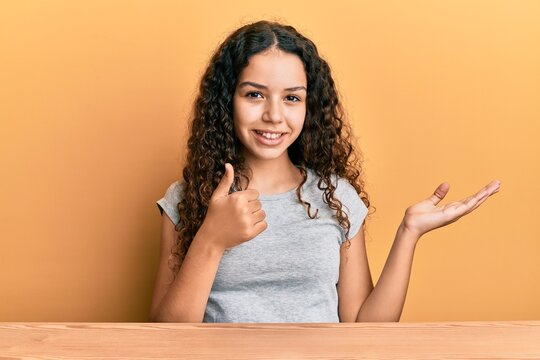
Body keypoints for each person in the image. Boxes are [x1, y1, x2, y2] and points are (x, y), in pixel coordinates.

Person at [149, 20, 500, 323]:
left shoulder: (337, 198)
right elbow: (165, 334)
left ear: (309, 106)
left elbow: (365, 328)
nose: (274, 115)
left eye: (291, 98)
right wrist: (211, 238)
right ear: (227, 101)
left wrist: (409, 233)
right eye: (255, 95)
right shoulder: (186, 198)